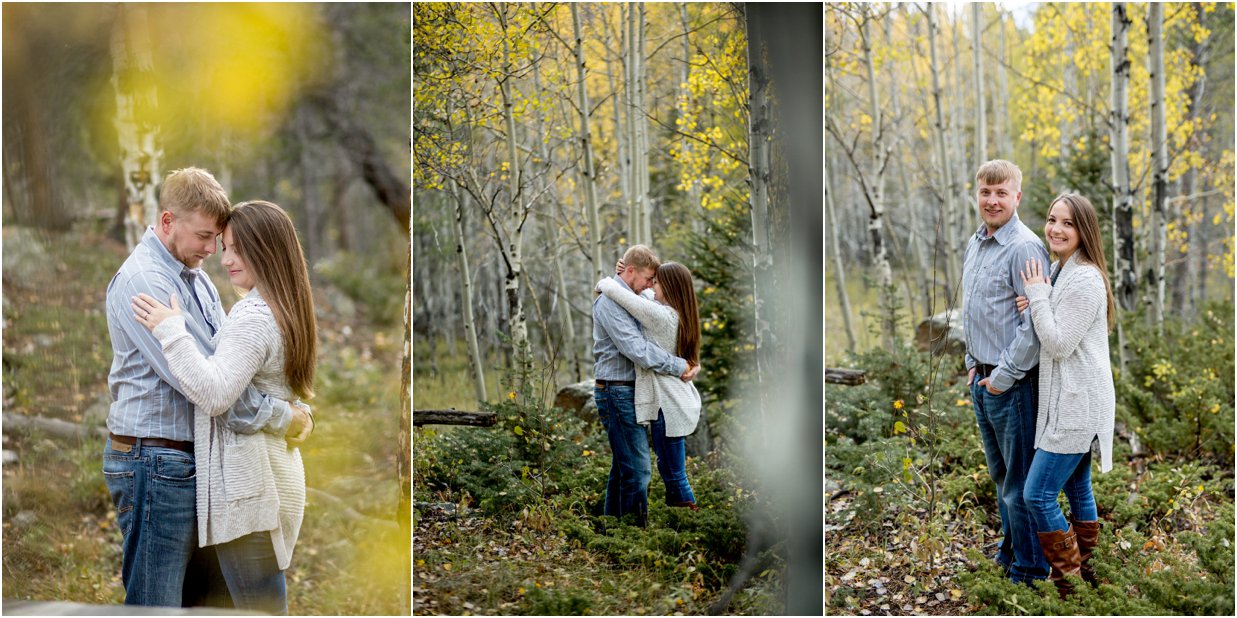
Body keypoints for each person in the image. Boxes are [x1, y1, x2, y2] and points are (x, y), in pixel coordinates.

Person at [104, 169, 311, 608]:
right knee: (155, 603)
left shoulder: (195, 278)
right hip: (153, 459)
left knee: (202, 604)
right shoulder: (147, 284)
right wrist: (286, 418)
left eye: (221, 240)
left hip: (192, 464)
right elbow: (214, 392)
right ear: (166, 221)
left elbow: (225, 373)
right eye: (205, 236)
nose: (212, 250)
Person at [1015, 193, 1116, 597]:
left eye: (1067, 224)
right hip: (1069, 401)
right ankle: (1087, 575)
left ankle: (1069, 584)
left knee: (1036, 494)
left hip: (1077, 405)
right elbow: (1053, 326)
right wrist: (1035, 303)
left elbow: (1058, 344)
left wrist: (1038, 296)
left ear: (1083, 231)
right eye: (1052, 220)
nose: (1055, 229)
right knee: (1077, 490)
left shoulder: (1085, 279)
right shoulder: (1062, 271)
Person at [962, 159, 1051, 584]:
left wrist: (1003, 376)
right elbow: (974, 309)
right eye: (985, 192)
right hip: (982, 378)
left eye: (1002, 193)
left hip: (1012, 385)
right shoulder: (976, 242)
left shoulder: (1024, 247)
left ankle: (1031, 571)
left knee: (1018, 484)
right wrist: (971, 363)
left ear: (1017, 196)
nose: (992, 200)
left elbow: (1033, 326)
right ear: (976, 194)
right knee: (1001, 478)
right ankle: (1011, 550)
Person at [593, 245, 698, 527]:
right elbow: (636, 349)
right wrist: (680, 365)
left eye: (655, 281)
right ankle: (632, 535)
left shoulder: (634, 296)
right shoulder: (610, 302)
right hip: (616, 390)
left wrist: (689, 362)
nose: (651, 286)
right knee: (639, 472)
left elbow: (656, 298)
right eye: (648, 279)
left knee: (623, 469)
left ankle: (612, 531)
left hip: (630, 390)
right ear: (630, 272)